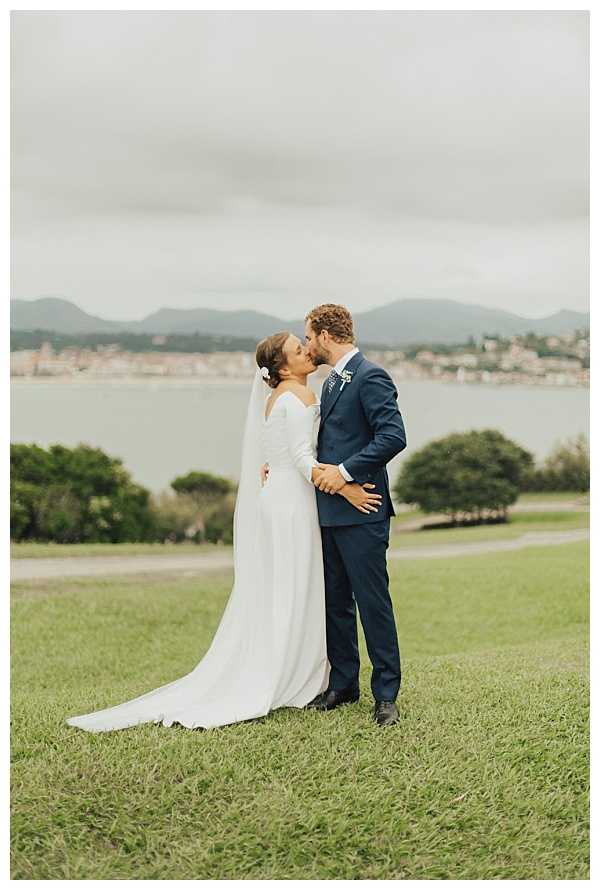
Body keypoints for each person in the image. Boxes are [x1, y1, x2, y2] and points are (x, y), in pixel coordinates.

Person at [65, 331, 381, 732]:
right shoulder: (297, 396)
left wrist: (280, 466)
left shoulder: (277, 396)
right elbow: (304, 458)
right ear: (282, 367)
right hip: (293, 503)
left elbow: (278, 450)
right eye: (298, 350)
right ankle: (292, 671)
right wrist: (344, 487)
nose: (306, 352)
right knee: (295, 585)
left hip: (279, 496)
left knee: (283, 584)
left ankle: (295, 665)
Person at [303, 303, 407, 727]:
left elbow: (393, 436)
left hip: (364, 511)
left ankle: (386, 694)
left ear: (326, 334)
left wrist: (346, 473)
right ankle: (343, 685)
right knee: (335, 603)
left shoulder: (370, 375)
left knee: (372, 603)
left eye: (309, 336)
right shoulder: (330, 382)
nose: (308, 344)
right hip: (327, 512)